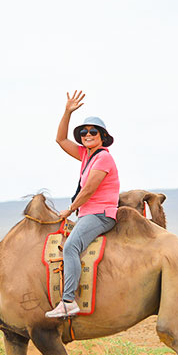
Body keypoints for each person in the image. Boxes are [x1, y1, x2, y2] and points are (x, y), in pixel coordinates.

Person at [45, 91, 120, 318]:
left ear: (102, 136)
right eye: (84, 132)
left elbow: (89, 190)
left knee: (71, 248)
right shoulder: (87, 156)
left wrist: (70, 209)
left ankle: (68, 301)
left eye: (93, 132)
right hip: (88, 213)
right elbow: (60, 140)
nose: (88, 135)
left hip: (100, 214)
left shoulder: (103, 158)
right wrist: (67, 112)